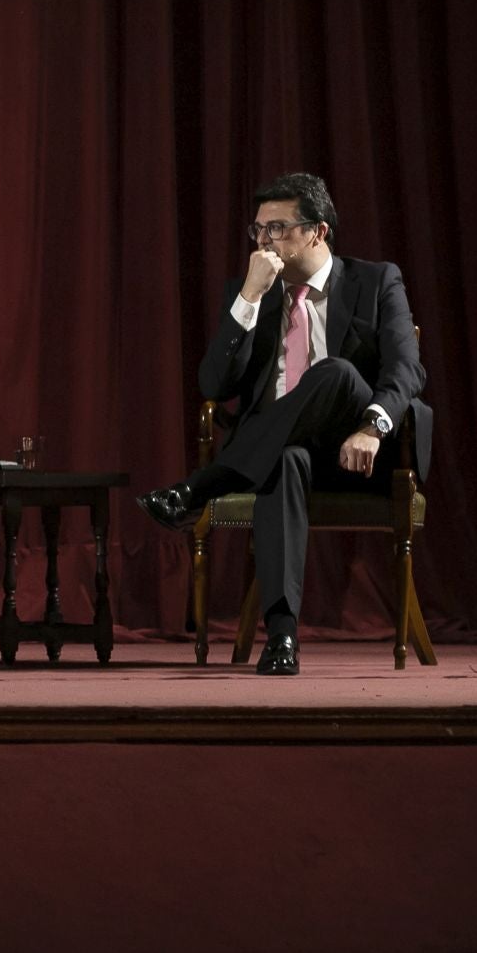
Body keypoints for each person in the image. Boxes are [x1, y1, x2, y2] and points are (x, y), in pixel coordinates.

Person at [136, 172, 431, 675]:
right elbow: (213, 385)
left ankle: (200, 488)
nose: (263, 241)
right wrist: (249, 297)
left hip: (360, 450)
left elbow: (407, 369)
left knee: (334, 371)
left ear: (317, 232)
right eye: (258, 231)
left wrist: (373, 427)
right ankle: (282, 639)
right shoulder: (254, 292)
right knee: (284, 459)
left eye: (276, 229)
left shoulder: (377, 280)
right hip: (274, 454)